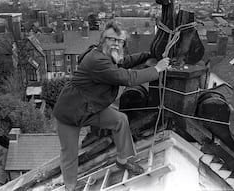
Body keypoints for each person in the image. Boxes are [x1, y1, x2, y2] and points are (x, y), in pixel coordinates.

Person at [53, 20, 170, 191]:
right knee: (69, 154)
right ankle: (70, 187)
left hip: (90, 108)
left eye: (120, 41)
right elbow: (127, 78)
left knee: (120, 120)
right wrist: (157, 69)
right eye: (112, 39)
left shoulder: (108, 56)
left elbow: (123, 61)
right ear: (103, 40)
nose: (116, 44)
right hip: (70, 112)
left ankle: (123, 160)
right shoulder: (96, 60)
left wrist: (147, 55)